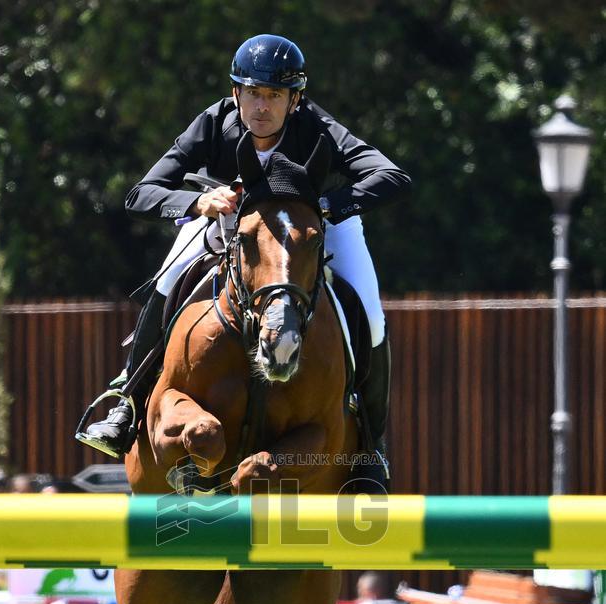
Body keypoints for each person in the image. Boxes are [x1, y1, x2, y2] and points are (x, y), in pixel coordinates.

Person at [77, 33, 411, 486]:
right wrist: (197, 202)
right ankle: (126, 405)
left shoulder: (317, 127)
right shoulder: (214, 122)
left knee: (369, 313)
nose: (262, 106)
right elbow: (141, 194)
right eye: (253, 93)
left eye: (274, 95)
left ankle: (371, 448)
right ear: (236, 93)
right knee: (167, 282)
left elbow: (392, 176)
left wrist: (326, 206)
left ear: (295, 99)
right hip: (227, 222)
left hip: (313, 226)